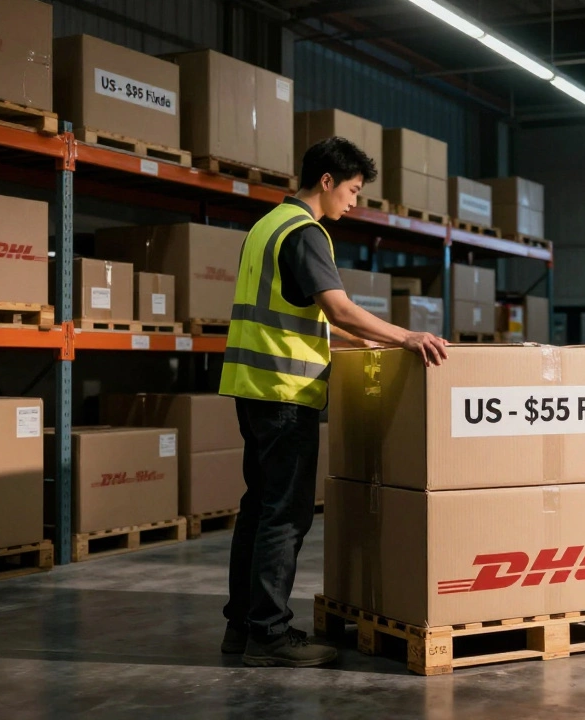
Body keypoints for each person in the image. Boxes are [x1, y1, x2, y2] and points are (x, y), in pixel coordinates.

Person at [218, 136, 449, 668]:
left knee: (257, 509)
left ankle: (241, 627)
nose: (353, 201)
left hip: (252, 389)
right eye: (351, 189)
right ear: (326, 181)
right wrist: (404, 337)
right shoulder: (306, 232)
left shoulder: (264, 227)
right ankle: (270, 633)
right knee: (285, 516)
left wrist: (356, 342)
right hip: (285, 393)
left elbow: (293, 315)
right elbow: (338, 309)